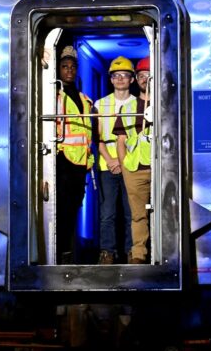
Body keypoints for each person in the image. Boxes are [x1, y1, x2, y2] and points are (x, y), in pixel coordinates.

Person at [93, 56, 138, 265]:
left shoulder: (140, 104)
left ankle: (132, 252)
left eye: (125, 75)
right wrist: (111, 160)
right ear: (111, 80)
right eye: (116, 75)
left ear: (132, 80)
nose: (120, 79)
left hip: (132, 165)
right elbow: (97, 138)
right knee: (107, 213)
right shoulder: (100, 105)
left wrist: (124, 161)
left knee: (132, 213)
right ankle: (107, 253)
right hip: (107, 165)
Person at [55, 45, 94, 265]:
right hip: (62, 162)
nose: (69, 71)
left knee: (73, 211)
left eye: (72, 67)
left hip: (80, 165)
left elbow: (87, 133)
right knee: (61, 212)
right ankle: (59, 253)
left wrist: (89, 160)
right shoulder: (55, 94)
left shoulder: (84, 99)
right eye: (64, 67)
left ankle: (68, 253)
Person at [115, 56, 152, 264]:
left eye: (149, 75)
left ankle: (164, 253)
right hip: (134, 169)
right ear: (137, 80)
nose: (145, 79)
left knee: (166, 212)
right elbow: (121, 140)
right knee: (138, 215)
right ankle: (139, 254)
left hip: (161, 169)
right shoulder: (128, 108)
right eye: (141, 76)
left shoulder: (166, 105)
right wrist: (124, 165)